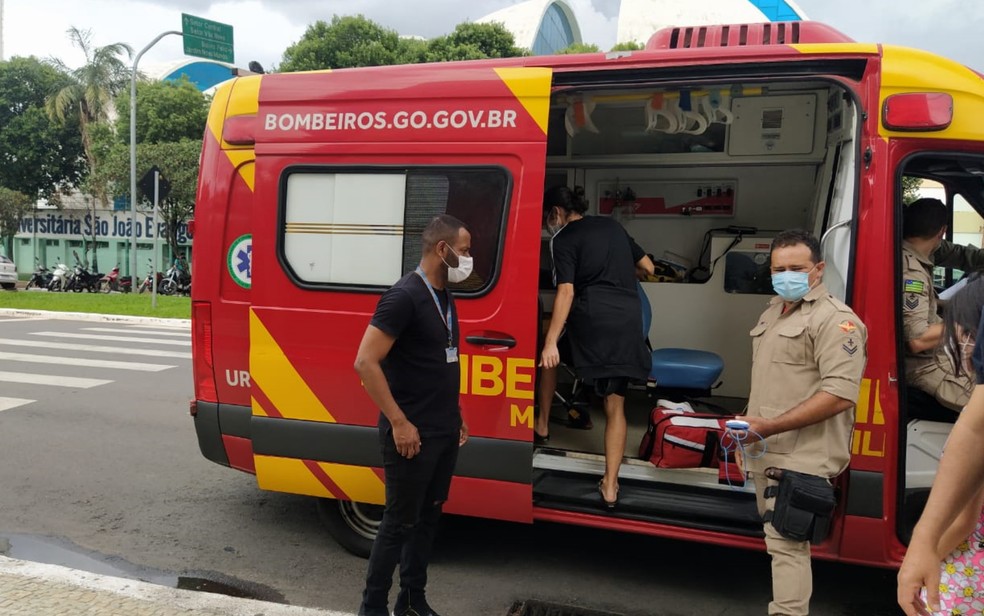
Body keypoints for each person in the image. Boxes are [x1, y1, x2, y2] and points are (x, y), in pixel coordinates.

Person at [738, 229, 868, 616]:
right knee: (776, 539)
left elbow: (840, 394)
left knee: (787, 545)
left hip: (802, 453)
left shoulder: (837, 321)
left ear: (819, 269)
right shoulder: (774, 310)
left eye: (797, 268)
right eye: (779, 269)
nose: (786, 276)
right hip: (768, 446)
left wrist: (771, 426)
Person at [353, 214, 471, 616]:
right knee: (399, 523)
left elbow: (439, 360)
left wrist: (456, 414)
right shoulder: (404, 296)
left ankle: (412, 600)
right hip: (411, 435)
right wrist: (400, 423)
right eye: (465, 250)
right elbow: (366, 362)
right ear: (444, 249)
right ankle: (372, 607)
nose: (468, 258)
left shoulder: (444, 296)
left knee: (428, 518)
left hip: (442, 429)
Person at [539, 185, 654, 507]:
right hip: (628, 321)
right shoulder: (612, 226)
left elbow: (566, 291)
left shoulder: (563, 239)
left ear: (557, 212)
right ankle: (611, 484)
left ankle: (543, 423)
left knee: (547, 358)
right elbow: (649, 268)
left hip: (592, 319)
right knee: (615, 406)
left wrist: (550, 342)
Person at [898, 274, 984, 616]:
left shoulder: (973, 424)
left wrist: (921, 553)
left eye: (962, 332)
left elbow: (965, 518)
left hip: (966, 582)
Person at [902, 197, 984, 411]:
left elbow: (966, 256)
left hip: (940, 354)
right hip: (926, 366)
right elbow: (918, 339)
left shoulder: (919, 251)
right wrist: (967, 325)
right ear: (942, 231)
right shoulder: (912, 272)